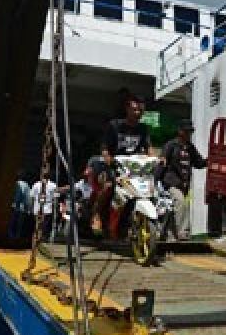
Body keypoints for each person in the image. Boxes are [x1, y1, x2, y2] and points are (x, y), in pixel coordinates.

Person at [89, 95, 153, 236]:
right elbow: (105, 148)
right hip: (112, 165)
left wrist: (154, 159)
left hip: (132, 168)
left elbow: (148, 148)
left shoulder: (143, 129)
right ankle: (97, 214)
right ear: (127, 109)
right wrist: (109, 159)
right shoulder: (114, 125)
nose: (138, 113)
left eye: (141, 111)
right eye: (135, 110)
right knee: (108, 186)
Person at [159, 120, 208, 240]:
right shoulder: (171, 145)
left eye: (190, 131)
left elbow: (199, 163)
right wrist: (157, 178)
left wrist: (212, 159)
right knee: (181, 202)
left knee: (182, 206)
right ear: (180, 131)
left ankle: (169, 235)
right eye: (186, 131)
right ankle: (182, 233)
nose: (188, 134)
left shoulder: (190, 148)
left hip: (185, 185)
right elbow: (162, 161)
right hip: (171, 183)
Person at [8, 174, 31, 241]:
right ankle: (18, 236)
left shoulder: (13, 183)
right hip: (22, 208)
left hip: (13, 206)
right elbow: (27, 198)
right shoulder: (26, 185)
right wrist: (28, 209)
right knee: (19, 223)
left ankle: (10, 235)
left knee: (11, 222)